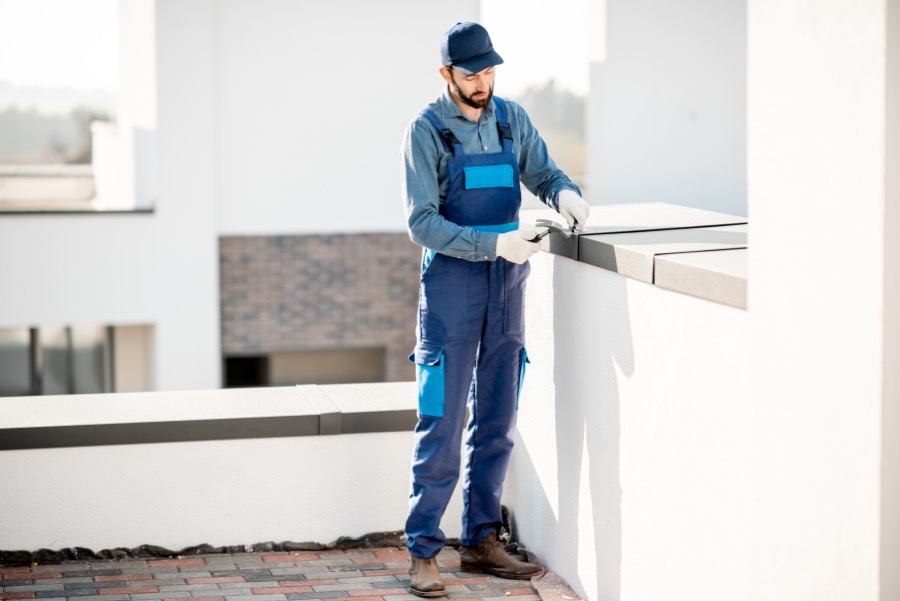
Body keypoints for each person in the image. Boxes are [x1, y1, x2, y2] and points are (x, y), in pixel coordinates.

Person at [400, 22, 590, 598]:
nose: (482, 82)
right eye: (471, 73)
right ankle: (424, 552)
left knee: (498, 420)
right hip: (452, 291)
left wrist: (566, 195)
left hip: (507, 288)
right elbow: (421, 221)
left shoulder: (511, 119)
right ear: (446, 74)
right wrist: (493, 243)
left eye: (488, 71)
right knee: (442, 419)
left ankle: (481, 539)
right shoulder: (427, 130)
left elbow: (544, 172)